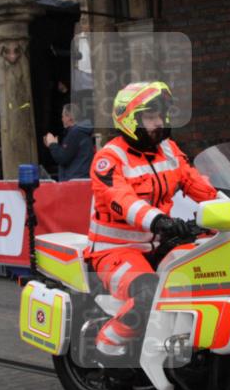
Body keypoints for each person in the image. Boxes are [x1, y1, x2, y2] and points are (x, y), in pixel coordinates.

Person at [86, 81, 218, 358]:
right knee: (149, 294)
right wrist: (161, 221)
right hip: (114, 252)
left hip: (159, 245)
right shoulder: (109, 159)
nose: (159, 122)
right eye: (150, 117)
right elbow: (122, 200)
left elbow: (198, 185)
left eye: (160, 115)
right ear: (129, 120)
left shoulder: (169, 150)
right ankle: (105, 351)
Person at [43, 103, 95, 181]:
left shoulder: (76, 133)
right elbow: (68, 154)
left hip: (75, 182)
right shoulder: (80, 132)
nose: (62, 119)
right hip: (79, 179)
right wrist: (54, 145)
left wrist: (52, 144)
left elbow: (62, 158)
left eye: (63, 116)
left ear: (69, 118)